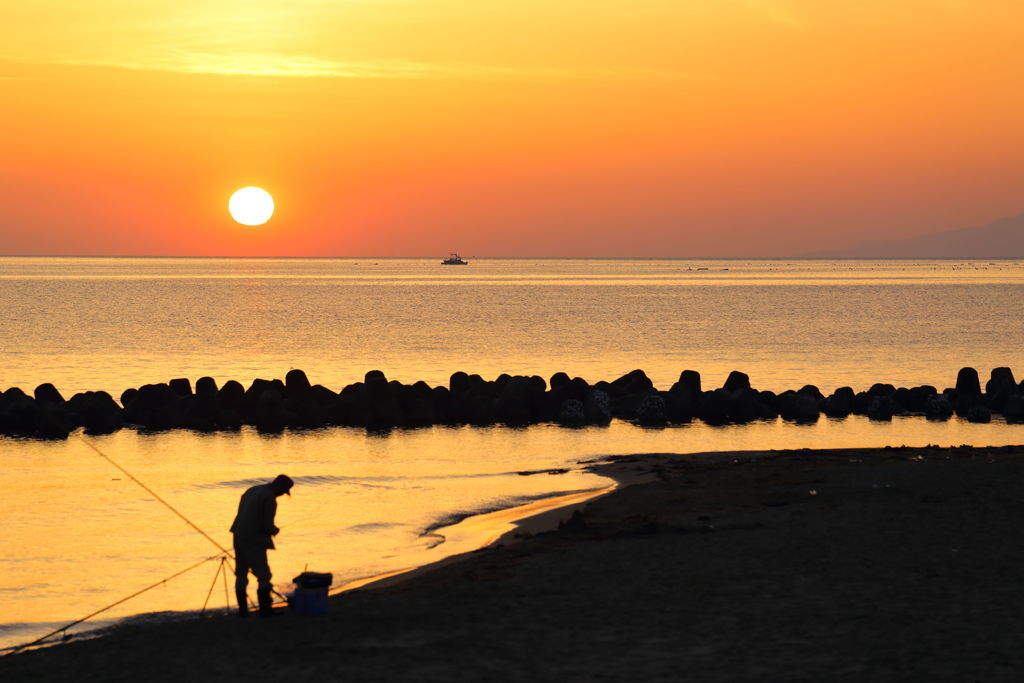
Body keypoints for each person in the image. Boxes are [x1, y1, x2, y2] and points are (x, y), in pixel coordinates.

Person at [230, 474, 293, 617]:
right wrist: (275, 530)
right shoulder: (270, 499)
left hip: (238, 535)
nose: (282, 495)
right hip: (254, 539)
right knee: (264, 575)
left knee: (241, 573)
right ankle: (265, 611)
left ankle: (243, 612)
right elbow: (267, 525)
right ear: (279, 487)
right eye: (283, 491)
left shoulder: (253, 490)